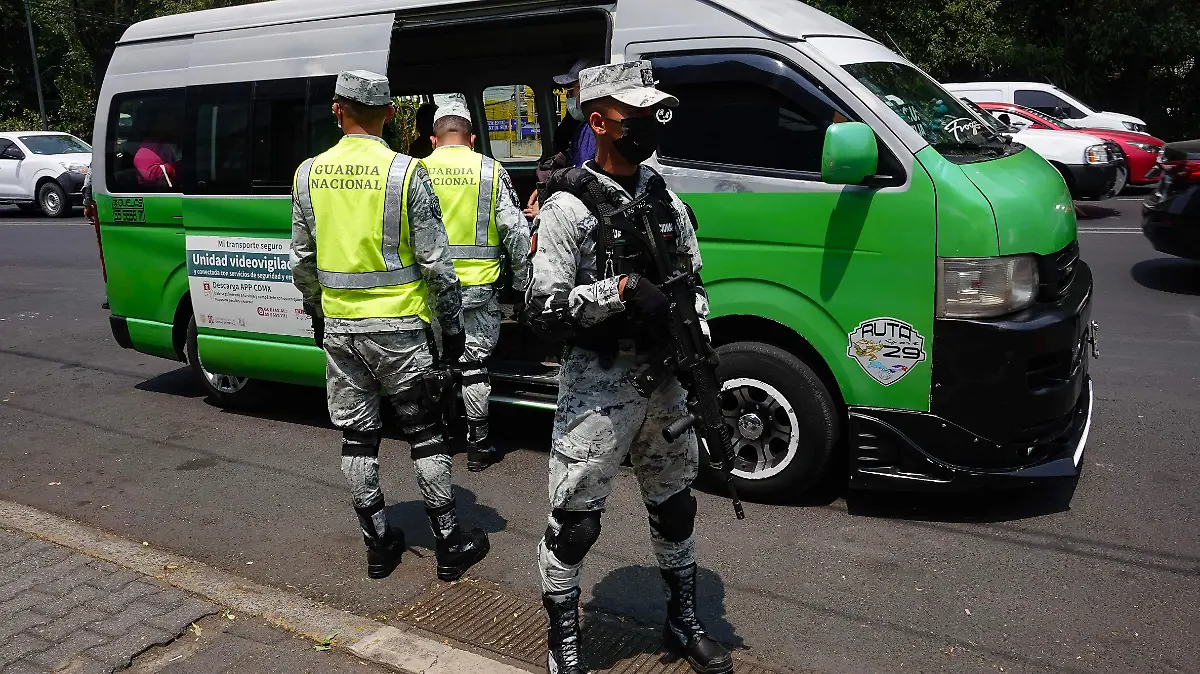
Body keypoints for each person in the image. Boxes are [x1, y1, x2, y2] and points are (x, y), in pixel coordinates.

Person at [525, 61, 734, 674]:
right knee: (575, 525)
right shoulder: (568, 208)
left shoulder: (666, 198)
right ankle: (565, 640)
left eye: (653, 115)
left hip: (667, 384)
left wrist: (697, 339)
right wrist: (617, 291)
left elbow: (695, 283)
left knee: (676, 507)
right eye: (634, 117)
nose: (647, 126)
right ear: (599, 121)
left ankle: (683, 620)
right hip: (599, 389)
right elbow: (542, 307)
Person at [290, 70, 490, 584]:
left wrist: (319, 314)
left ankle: (378, 546)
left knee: (357, 438)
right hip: (402, 329)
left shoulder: (308, 174)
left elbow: (302, 262)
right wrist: (452, 334)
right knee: (425, 434)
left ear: (338, 110)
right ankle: (449, 546)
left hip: (340, 327)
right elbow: (437, 265)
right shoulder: (406, 173)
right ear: (391, 115)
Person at [422, 101, 531, 471]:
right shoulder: (490, 170)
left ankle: (436, 439)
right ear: (471, 139)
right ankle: (478, 445)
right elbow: (516, 230)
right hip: (479, 290)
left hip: (430, 291)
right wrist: (521, 282)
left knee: (434, 363)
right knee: (474, 366)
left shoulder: (415, 170)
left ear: (434, 140)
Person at [524, 57, 599, 221]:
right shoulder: (582, 128)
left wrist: (548, 208)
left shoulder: (594, 132)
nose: (569, 97)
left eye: (572, 91)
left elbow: (583, 185)